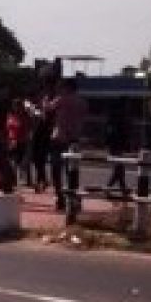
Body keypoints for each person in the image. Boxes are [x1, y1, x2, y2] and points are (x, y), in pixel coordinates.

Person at [46, 78, 88, 210]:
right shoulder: (82, 102)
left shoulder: (61, 99)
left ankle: (60, 198)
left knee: (56, 170)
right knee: (72, 171)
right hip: (74, 138)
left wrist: (46, 99)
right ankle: (74, 197)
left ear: (67, 88)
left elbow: (48, 109)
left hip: (59, 138)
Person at [104, 97, 132, 199]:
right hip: (115, 145)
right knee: (119, 168)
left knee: (119, 169)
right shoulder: (117, 118)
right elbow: (114, 133)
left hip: (117, 144)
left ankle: (122, 189)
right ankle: (110, 188)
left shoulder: (118, 117)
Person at [5, 98, 32, 188]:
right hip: (12, 141)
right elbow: (8, 128)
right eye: (15, 106)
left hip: (22, 141)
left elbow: (28, 129)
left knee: (23, 163)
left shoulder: (24, 117)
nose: (17, 108)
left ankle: (28, 180)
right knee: (13, 162)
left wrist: (27, 141)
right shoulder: (10, 115)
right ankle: (14, 181)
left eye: (18, 106)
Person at [30, 93, 53, 193]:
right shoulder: (36, 112)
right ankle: (41, 181)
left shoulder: (45, 118)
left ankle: (41, 182)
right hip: (36, 139)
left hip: (42, 140)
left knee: (40, 162)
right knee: (37, 162)